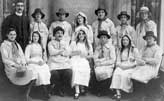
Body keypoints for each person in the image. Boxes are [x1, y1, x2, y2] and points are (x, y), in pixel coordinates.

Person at [0, 28, 34, 101]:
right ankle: (21, 96)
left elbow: (22, 56)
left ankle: (25, 94)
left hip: (20, 64)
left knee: (32, 72)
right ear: (7, 35)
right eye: (11, 34)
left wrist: (24, 63)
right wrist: (15, 65)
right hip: (11, 66)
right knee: (20, 74)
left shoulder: (17, 44)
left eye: (14, 34)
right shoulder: (4, 45)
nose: (13, 36)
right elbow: (5, 59)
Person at [110, 35, 140, 100]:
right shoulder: (120, 49)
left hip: (131, 66)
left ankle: (125, 91)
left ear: (129, 41)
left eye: (126, 40)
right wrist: (120, 66)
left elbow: (137, 61)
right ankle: (118, 93)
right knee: (116, 73)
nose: (125, 41)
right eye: (123, 40)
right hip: (122, 65)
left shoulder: (134, 49)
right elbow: (117, 61)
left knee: (124, 74)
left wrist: (130, 65)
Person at [25, 31, 51, 99]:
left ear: (39, 37)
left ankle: (45, 90)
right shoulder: (29, 46)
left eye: (37, 36)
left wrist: (43, 62)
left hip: (40, 62)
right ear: (31, 37)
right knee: (38, 71)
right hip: (32, 63)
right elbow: (26, 59)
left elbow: (44, 57)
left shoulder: (40, 46)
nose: (35, 37)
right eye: (34, 36)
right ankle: (43, 93)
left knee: (46, 69)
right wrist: (36, 63)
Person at [48, 26, 72, 97]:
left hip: (64, 63)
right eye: (58, 33)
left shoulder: (65, 43)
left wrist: (58, 52)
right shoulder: (50, 43)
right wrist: (62, 51)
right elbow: (52, 52)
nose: (60, 34)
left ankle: (60, 88)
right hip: (54, 62)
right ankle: (57, 89)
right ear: (54, 34)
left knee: (69, 72)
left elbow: (68, 53)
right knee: (54, 73)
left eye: (61, 33)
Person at [69, 28, 93, 99]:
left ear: (85, 35)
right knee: (76, 70)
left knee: (85, 69)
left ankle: (82, 86)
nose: (81, 35)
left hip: (83, 60)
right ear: (77, 35)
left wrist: (85, 56)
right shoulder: (74, 43)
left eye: (83, 34)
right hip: (74, 59)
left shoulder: (88, 43)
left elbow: (91, 54)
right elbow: (69, 53)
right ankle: (77, 90)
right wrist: (76, 52)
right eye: (79, 34)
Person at [93, 30, 116, 96]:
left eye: (104, 37)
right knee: (98, 71)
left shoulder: (111, 48)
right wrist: (99, 62)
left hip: (108, 65)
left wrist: (102, 62)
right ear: (99, 39)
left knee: (106, 72)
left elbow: (112, 59)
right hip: (99, 64)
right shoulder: (98, 48)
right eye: (101, 38)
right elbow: (95, 58)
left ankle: (105, 90)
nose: (103, 39)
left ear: (107, 39)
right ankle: (100, 90)